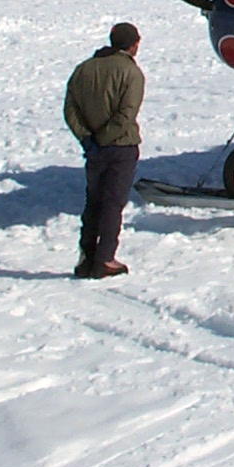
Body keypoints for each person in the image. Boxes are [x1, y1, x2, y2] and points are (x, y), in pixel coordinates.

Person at [64, 22, 145, 278]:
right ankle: (106, 258)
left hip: (93, 149)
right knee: (113, 204)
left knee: (93, 202)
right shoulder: (132, 73)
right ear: (132, 44)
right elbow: (126, 114)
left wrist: (87, 139)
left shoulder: (83, 69)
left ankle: (86, 256)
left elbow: (70, 109)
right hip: (120, 147)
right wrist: (104, 138)